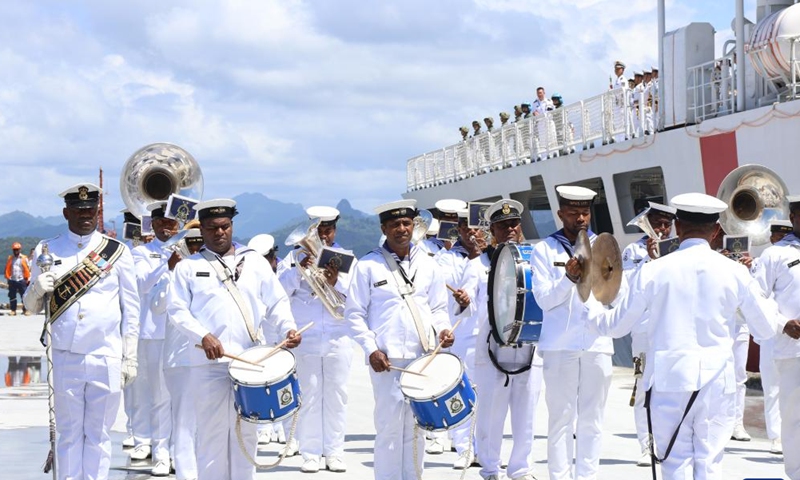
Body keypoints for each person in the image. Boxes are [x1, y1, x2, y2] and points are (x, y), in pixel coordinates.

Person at [586, 192, 799, 480]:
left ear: (677, 227)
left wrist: (586, 303)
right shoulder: (735, 272)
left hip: (669, 381)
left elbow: (615, 326)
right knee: (710, 465)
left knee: (674, 463)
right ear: (714, 231)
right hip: (717, 384)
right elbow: (763, 330)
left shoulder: (652, 271)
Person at [167, 198, 301, 480]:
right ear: (201, 230)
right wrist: (202, 335)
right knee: (211, 437)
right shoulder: (188, 268)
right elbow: (176, 311)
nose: (219, 233)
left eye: (225, 226)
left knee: (246, 437)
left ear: (232, 226)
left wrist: (288, 327)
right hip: (208, 366)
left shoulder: (254, 261)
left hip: (250, 363)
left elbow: (276, 301)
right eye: (212, 228)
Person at [23, 182, 140, 480]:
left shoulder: (116, 252)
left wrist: (131, 356)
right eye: (78, 210)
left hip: (107, 354)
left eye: (90, 210)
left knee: (99, 434)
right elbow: (30, 306)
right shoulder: (47, 249)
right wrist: (37, 288)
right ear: (66, 212)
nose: (84, 215)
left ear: (98, 211)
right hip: (66, 355)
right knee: (69, 433)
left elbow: (131, 308)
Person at [345, 199, 454, 480]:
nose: (402, 229)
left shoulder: (429, 264)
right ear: (384, 228)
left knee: (419, 428)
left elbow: (438, 308)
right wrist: (371, 349)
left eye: (407, 223)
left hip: (422, 358)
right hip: (388, 361)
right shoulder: (368, 265)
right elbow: (354, 314)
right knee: (390, 429)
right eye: (395, 224)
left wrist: (443, 329)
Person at [530, 185, 622, 480]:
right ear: (560, 214)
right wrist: (568, 279)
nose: (580, 218)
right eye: (573, 213)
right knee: (560, 419)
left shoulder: (605, 246)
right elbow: (544, 300)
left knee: (592, 419)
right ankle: (559, 476)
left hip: (596, 343)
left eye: (584, 212)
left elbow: (617, 296)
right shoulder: (545, 249)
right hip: (560, 344)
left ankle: (587, 476)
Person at [277, 206, 354, 473]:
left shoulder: (346, 257)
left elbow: (355, 299)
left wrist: (336, 283)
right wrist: (299, 271)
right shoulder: (293, 258)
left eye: (328, 231)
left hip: (338, 336)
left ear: (335, 230)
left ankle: (334, 452)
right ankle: (310, 452)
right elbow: (278, 293)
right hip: (306, 336)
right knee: (308, 396)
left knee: (337, 396)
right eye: (319, 232)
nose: (323, 237)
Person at [474, 199, 543, 480]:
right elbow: (464, 310)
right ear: (493, 230)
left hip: (527, 345)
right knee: (491, 412)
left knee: (526, 412)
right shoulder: (477, 265)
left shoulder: (536, 259)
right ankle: (490, 468)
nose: (510, 229)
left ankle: (521, 470)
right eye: (502, 226)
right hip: (492, 346)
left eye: (513, 223)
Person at [619, 201, 677, 467]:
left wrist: (662, 259)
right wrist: (650, 261)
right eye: (658, 223)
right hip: (642, 328)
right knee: (643, 387)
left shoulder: (676, 250)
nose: (662, 229)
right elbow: (629, 288)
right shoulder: (633, 250)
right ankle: (646, 445)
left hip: (670, 327)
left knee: (672, 386)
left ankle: (668, 442)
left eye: (667, 224)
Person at [127, 201, 181, 474]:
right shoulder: (141, 253)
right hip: (151, 331)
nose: (168, 227)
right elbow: (140, 285)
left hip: (180, 334)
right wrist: (166, 266)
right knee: (147, 392)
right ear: (154, 225)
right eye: (162, 223)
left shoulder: (189, 250)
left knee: (175, 397)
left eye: (172, 223)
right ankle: (146, 442)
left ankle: (172, 449)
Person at [752, 195, 800, 479]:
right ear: (793, 217)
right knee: (794, 418)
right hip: (793, 348)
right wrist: (782, 323)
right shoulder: (775, 255)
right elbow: (756, 298)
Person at [156, 226, 205, 480]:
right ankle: (186, 474)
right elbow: (156, 307)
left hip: (209, 356)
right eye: (191, 245)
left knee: (208, 421)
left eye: (199, 244)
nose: (195, 249)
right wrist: (170, 270)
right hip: (179, 356)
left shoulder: (211, 269)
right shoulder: (171, 272)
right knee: (184, 420)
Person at [751, 219, 793, 455]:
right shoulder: (769, 257)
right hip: (775, 335)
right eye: (776, 235)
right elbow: (758, 298)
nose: (779, 238)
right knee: (773, 386)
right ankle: (777, 436)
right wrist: (781, 323)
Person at [5, 241, 30, 315]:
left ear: (20, 250)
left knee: (24, 296)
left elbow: (28, 268)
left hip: (22, 279)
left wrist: (28, 278)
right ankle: (13, 310)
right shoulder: (10, 258)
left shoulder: (24, 258)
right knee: (12, 296)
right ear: (13, 250)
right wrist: (8, 278)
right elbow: (8, 269)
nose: (16, 251)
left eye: (17, 249)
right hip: (12, 279)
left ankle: (26, 310)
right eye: (14, 249)